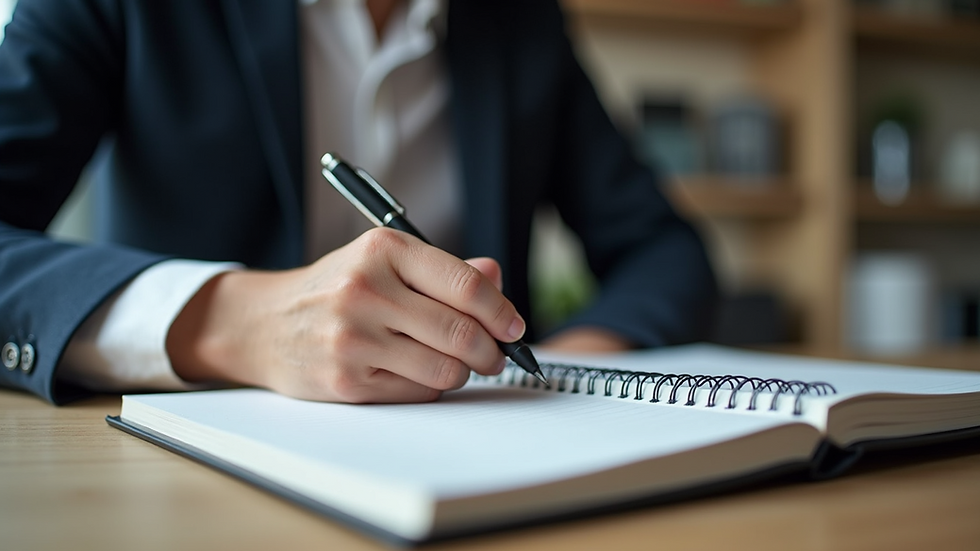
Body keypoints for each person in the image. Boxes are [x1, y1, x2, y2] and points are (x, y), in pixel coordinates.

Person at [0, 0, 717, 405]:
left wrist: (577, 359)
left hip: (478, 456)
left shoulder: (520, 21)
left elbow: (664, 248)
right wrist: (229, 321)